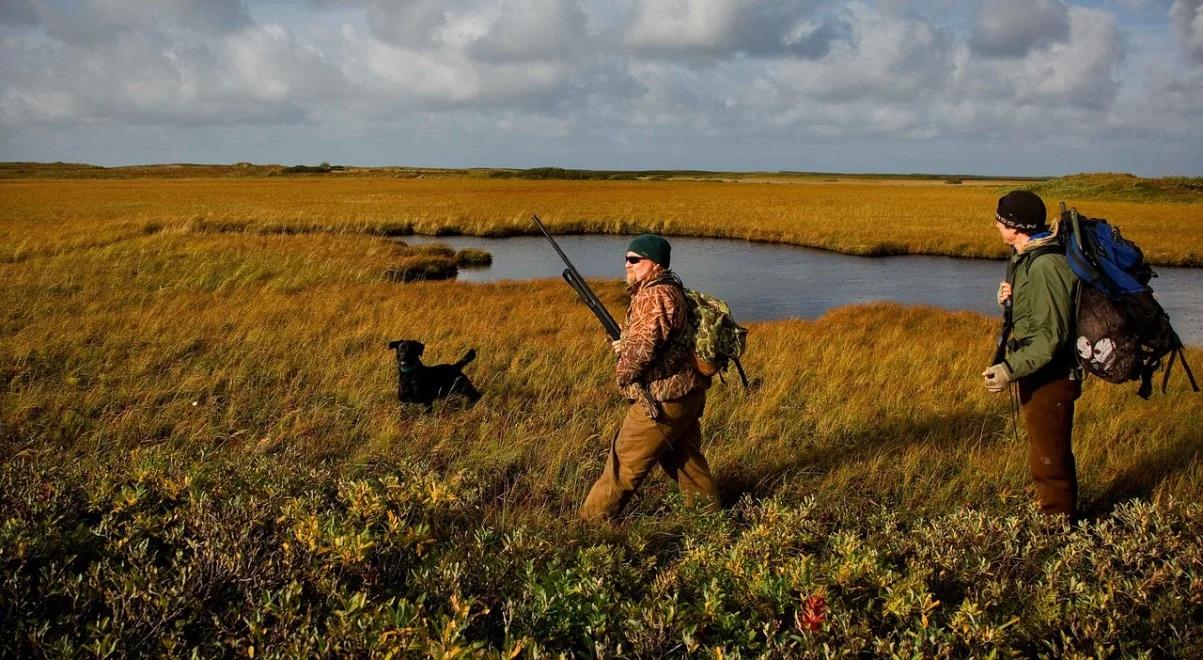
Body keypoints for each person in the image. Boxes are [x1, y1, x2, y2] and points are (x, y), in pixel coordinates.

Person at [579, 234, 720, 520]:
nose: (627, 265)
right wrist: (625, 342)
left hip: (663, 399)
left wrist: (623, 371)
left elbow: (640, 354)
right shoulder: (668, 290)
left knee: (622, 465)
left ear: (654, 264)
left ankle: (589, 528)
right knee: (686, 463)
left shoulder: (653, 295)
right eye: (626, 259)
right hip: (685, 394)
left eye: (634, 260)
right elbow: (653, 342)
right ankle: (711, 522)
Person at [983, 190, 1082, 519]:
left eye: (1000, 219)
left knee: (1049, 457)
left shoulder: (1044, 267)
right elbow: (1036, 317)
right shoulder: (1025, 258)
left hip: (1052, 375)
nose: (995, 225)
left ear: (1015, 226)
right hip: (1038, 372)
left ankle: (1057, 529)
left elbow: (1050, 338)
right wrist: (1009, 302)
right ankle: (1052, 510)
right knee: (1045, 450)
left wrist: (1009, 369)